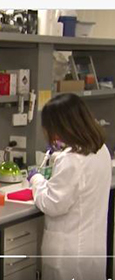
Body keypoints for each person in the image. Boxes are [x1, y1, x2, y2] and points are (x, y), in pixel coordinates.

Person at [27, 93, 112, 280]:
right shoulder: (101, 149)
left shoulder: (71, 159)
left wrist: (36, 180)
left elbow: (52, 204)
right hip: (93, 251)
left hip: (68, 257)